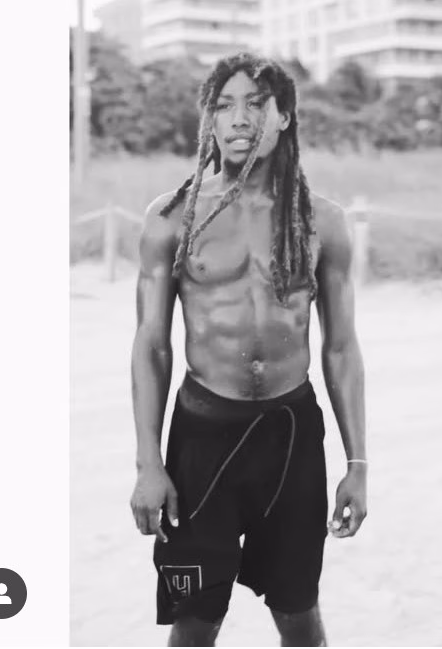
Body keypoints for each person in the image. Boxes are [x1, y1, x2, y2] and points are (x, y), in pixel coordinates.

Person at [129, 52, 366, 647]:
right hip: (202, 441)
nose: (239, 118)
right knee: (193, 622)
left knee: (299, 614)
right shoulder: (172, 218)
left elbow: (341, 349)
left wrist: (357, 465)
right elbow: (152, 346)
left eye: (256, 104)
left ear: (284, 116)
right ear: (209, 118)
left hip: (290, 438)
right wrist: (149, 463)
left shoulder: (322, 222)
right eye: (224, 105)